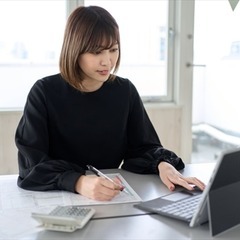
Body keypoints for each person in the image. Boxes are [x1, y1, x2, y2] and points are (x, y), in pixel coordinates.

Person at [15, 5, 205, 201]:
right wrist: (77, 182)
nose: (108, 61)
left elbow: (142, 148)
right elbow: (31, 166)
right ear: (75, 50)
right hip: (59, 197)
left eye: (113, 49)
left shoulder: (124, 91)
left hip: (111, 197)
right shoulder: (44, 92)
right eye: (97, 52)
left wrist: (163, 165)